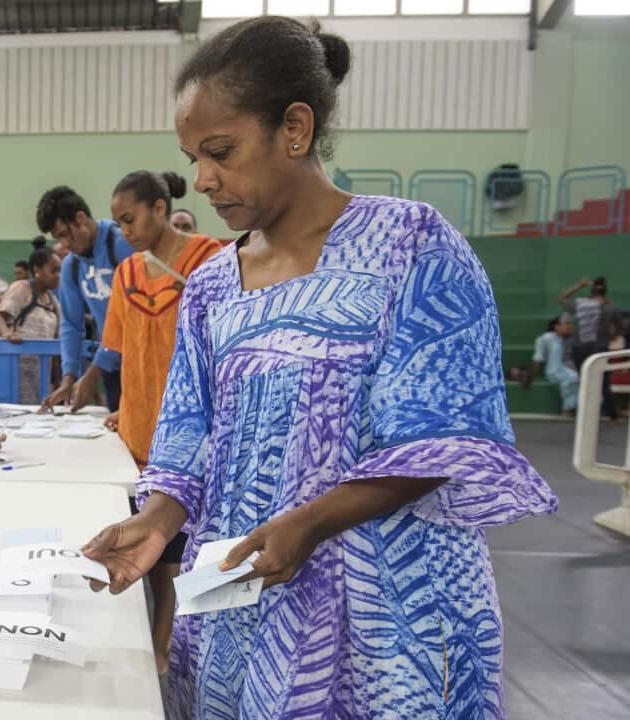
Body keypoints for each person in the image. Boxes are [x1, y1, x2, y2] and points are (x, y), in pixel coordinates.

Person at [79, 18, 558, 720]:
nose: (202, 179)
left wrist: (309, 523)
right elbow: (189, 433)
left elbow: (439, 436)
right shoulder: (213, 285)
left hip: (388, 613)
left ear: (295, 129)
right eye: (192, 157)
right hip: (241, 600)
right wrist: (157, 520)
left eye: (221, 151)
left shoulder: (410, 247)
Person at [102, 169, 224, 675]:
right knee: (150, 552)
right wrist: (124, 405)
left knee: (188, 559)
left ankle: (170, 655)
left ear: (159, 208)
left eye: (130, 218)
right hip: (138, 435)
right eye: (117, 222)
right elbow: (125, 351)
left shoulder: (212, 261)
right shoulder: (126, 273)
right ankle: (158, 651)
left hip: (194, 441)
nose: (124, 230)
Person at [36, 186, 134, 412]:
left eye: (63, 234)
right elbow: (71, 324)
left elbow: (130, 319)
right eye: (57, 238)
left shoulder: (122, 245)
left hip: (145, 362)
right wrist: (68, 378)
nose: (63, 245)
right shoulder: (72, 265)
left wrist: (93, 373)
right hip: (112, 368)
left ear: (80, 218)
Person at [0, 249, 62, 403]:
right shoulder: (21, 288)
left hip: (42, 374)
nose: (58, 275)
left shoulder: (54, 301)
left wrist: (57, 382)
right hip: (16, 371)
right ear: (37, 270)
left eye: (60, 270)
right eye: (53, 270)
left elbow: (55, 344)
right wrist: (7, 334)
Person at [559, 276, 620, 421]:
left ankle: (584, 414)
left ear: (591, 290)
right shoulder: (609, 307)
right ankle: (614, 416)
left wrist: (579, 285)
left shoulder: (580, 303)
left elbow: (562, 298)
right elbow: (617, 326)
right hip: (600, 349)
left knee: (585, 380)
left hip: (580, 348)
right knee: (604, 383)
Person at [530, 315, 579, 416]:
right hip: (554, 372)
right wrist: (531, 375)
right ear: (556, 326)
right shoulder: (546, 338)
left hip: (568, 369)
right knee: (572, 377)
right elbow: (538, 357)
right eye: (566, 324)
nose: (569, 326)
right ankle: (567, 409)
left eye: (570, 324)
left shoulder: (571, 339)